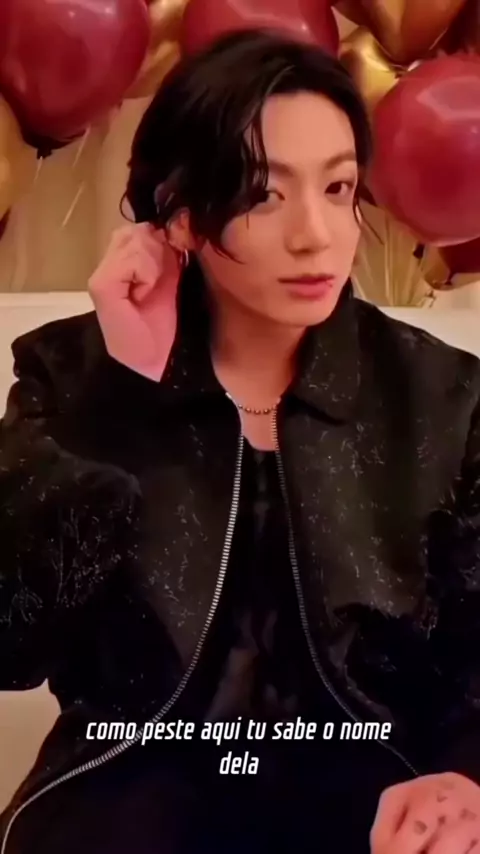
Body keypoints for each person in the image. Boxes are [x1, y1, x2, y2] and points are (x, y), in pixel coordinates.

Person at [1, 27, 480, 854]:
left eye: (338, 187)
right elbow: (12, 639)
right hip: (123, 785)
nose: (316, 235)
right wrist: (125, 390)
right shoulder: (72, 373)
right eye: (263, 194)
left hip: (375, 787)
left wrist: (466, 775)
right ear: (180, 213)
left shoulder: (443, 399)